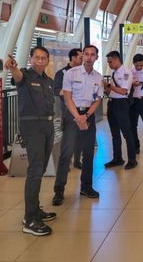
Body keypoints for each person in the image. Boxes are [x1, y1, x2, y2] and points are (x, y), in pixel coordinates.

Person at [4, 46, 56, 237]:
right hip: (32, 128)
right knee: (34, 171)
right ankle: (30, 219)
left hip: (48, 127)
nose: (40, 61)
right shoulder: (25, 75)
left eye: (43, 58)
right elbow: (17, 76)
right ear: (31, 59)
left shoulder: (48, 81)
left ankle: (34, 210)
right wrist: (12, 67)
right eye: (36, 58)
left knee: (40, 169)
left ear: (47, 60)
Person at [52, 45, 103, 206]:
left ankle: (86, 187)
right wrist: (78, 117)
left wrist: (86, 116)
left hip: (88, 115)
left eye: (92, 55)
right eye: (86, 54)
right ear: (82, 57)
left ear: (96, 57)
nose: (88, 57)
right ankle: (59, 191)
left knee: (88, 153)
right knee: (66, 154)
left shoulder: (98, 77)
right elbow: (67, 98)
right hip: (72, 114)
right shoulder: (70, 73)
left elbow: (97, 99)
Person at [103, 51, 137, 170]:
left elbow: (123, 91)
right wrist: (104, 88)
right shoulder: (114, 73)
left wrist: (108, 86)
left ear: (117, 59)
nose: (109, 64)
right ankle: (117, 158)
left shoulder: (126, 72)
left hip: (121, 105)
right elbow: (111, 91)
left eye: (110, 62)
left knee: (127, 133)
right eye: (108, 62)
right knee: (114, 134)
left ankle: (132, 159)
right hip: (112, 104)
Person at [53, 48, 83, 168]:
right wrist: (71, 92)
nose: (83, 60)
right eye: (80, 57)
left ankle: (77, 161)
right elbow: (56, 90)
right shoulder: (61, 73)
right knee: (68, 138)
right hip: (68, 111)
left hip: (82, 109)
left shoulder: (83, 72)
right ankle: (65, 162)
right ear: (73, 58)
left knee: (80, 136)